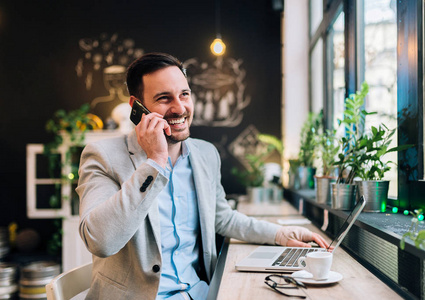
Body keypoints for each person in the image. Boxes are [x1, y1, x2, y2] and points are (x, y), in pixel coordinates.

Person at [76, 52, 330, 300]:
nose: (179, 108)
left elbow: (222, 218)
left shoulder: (206, 154)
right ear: (137, 108)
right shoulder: (102, 155)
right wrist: (154, 162)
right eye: (164, 98)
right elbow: (101, 241)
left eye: (184, 94)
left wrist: (280, 234)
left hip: (199, 292)